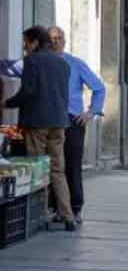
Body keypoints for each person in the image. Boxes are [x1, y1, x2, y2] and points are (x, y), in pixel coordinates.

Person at [5, 26, 75, 230]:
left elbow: (27, 92)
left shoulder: (32, 61)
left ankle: (39, 214)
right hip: (59, 123)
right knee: (57, 170)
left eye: (26, 42)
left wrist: (7, 103)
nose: (25, 47)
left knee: (37, 168)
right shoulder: (62, 64)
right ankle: (67, 216)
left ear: (35, 42)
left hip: (37, 123)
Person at [47, 27, 104, 225]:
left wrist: (91, 111)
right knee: (54, 167)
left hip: (72, 121)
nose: (55, 42)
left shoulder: (75, 64)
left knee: (72, 165)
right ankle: (57, 209)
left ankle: (75, 208)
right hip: (50, 121)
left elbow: (99, 87)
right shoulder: (43, 63)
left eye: (59, 38)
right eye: (52, 38)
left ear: (65, 41)